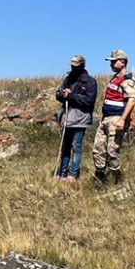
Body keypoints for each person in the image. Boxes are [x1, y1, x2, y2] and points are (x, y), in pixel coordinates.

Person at [92, 49, 135, 187]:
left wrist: (122, 119)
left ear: (122, 62)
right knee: (98, 148)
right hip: (106, 118)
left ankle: (115, 179)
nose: (111, 64)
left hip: (117, 118)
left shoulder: (127, 80)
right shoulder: (115, 78)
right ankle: (100, 175)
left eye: (113, 61)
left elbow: (132, 100)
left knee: (112, 150)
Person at [54, 55, 98, 183]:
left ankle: (72, 174)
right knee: (65, 147)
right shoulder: (67, 79)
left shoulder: (90, 82)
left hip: (80, 119)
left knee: (76, 147)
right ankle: (62, 173)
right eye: (72, 66)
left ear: (83, 66)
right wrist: (62, 94)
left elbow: (89, 101)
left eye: (77, 66)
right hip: (66, 118)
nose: (74, 68)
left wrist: (72, 96)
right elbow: (58, 94)